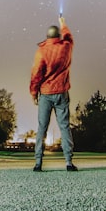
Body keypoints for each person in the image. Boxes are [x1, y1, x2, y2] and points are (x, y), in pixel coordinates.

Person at [30, 14, 77, 171]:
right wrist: (63, 23)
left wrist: (33, 93)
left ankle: (38, 163)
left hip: (45, 93)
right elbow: (69, 37)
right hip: (62, 93)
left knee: (42, 127)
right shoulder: (66, 47)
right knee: (64, 127)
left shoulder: (41, 52)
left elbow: (36, 74)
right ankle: (69, 162)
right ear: (59, 36)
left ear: (47, 36)